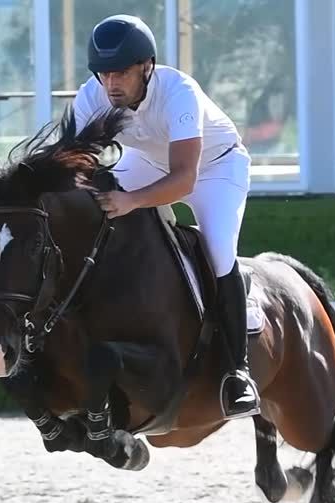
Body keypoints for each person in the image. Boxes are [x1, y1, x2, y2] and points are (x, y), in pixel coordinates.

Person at [73, 13, 260, 420]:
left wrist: (131, 201)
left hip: (215, 168)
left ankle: (237, 373)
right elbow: (71, 165)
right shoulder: (91, 97)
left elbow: (183, 180)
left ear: (146, 67)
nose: (111, 84)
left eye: (121, 72)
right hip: (150, 163)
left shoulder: (178, 93)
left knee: (218, 252)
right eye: (104, 73)